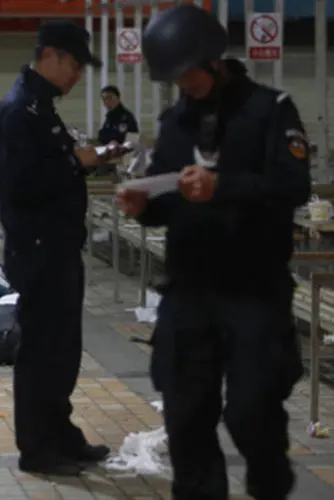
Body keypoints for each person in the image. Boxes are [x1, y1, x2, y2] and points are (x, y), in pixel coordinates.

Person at [115, 5, 309, 499]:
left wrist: (221, 187)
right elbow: (169, 204)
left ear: (212, 59)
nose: (184, 85)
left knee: (251, 410)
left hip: (254, 290)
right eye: (174, 78)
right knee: (185, 411)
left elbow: (293, 187)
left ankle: (270, 488)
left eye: (188, 74)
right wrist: (144, 206)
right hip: (190, 291)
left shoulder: (270, 110)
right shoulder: (177, 122)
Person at [0, 20, 111, 476]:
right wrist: (77, 162)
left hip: (57, 245)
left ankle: (60, 433)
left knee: (62, 347)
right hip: (38, 249)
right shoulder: (22, 111)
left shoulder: (41, 107)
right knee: (41, 350)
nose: (77, 76)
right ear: (49, 55)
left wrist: (81, 162)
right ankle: (37, 447)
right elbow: (21, 185)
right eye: (73, 64)